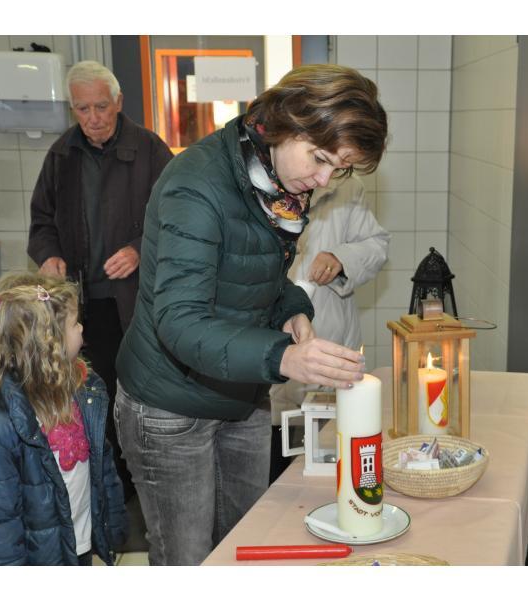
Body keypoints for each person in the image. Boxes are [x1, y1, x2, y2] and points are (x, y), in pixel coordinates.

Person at [114, 64, 388, 565]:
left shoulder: (277, 183)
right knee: (189, 561)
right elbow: (180, 322)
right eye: (320, 159)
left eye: (340, 169)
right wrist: (283, 357)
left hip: (241, 393)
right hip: (170, 404)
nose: (324, 180)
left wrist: (293, 310)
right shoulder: (196, 184)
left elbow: (257, 275)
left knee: (246, 549)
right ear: (286, 122)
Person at [27, 60, 173, 499]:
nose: (92, 118)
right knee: (92, 396)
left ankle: (142, 485)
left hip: (134, 302)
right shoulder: (62, 154)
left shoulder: (149, 149)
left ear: (119, 102)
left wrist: (139, 249)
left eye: (101, 107)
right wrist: (49, 255)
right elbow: (41, 221)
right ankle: (107, 486)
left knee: (139, 393)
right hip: (82, 305)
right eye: (82, 108)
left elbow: (177, 217)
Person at [0, 272, 127, 565]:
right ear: (48, 344)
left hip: (76, 548)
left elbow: (102, 468)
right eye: (74, 323)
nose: (82, 327)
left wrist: (113, 524)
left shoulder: (84, 394)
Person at [268, 174, 390, 482]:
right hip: (268, 348)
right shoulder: (261, 181)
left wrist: (341, 258)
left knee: (328, 471)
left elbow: (375, 245)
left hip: (329, 338)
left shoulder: (346, 185)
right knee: (272, 473)